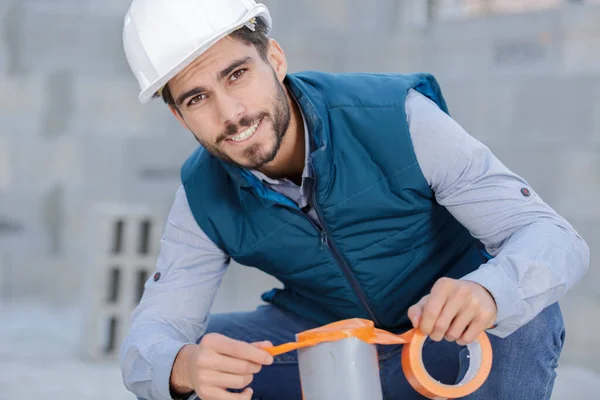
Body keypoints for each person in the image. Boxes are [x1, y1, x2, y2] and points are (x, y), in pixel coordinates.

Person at [119, 1, 590, 399]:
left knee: (522, 309)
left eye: (237, 74)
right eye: (197, 98)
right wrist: (182, 367)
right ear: (182, 118)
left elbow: (553, 237)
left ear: (276, 60)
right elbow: (151, 336)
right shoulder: (202, 195)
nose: (231, 113)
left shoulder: (395, 118)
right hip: (328, 348)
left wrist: (488, 290)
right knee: (205, 359)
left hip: (445, 338)